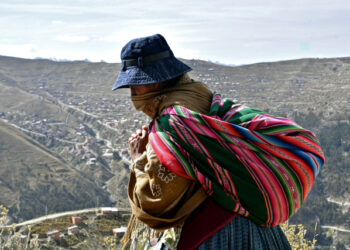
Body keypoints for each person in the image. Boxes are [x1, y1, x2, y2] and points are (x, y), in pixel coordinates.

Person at [112, 34, 325, 249]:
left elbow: (157, 203)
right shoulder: (201, 96)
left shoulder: (173, 122)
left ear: (153, 81)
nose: (133, 93)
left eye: (134, 86)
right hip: (259, 230)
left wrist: (139, 159)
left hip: (216, 234)